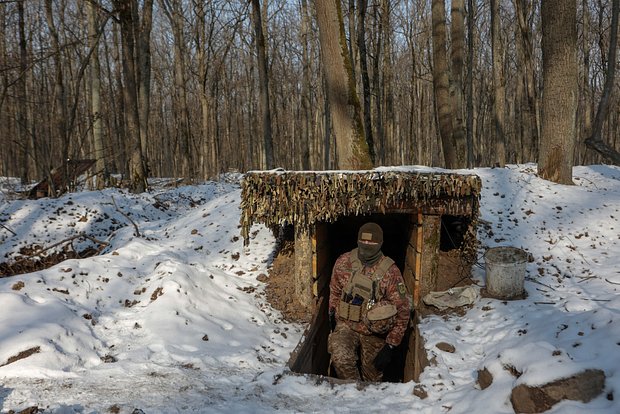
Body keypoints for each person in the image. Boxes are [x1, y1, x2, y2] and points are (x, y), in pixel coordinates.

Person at [327, 222, 410, 382]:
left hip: (375, 333)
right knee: (340, 358)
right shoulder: (343, 262)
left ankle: (368, 397)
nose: (367, 246)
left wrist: (391, 345)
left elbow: (403, 310)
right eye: (363, 242)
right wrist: (333, 317)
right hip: (346, 325)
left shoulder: (390, 272)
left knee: (372, 376)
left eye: (372, 243)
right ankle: (353, 392)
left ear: (380, 244)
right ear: (358, 241)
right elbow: (335, 291)